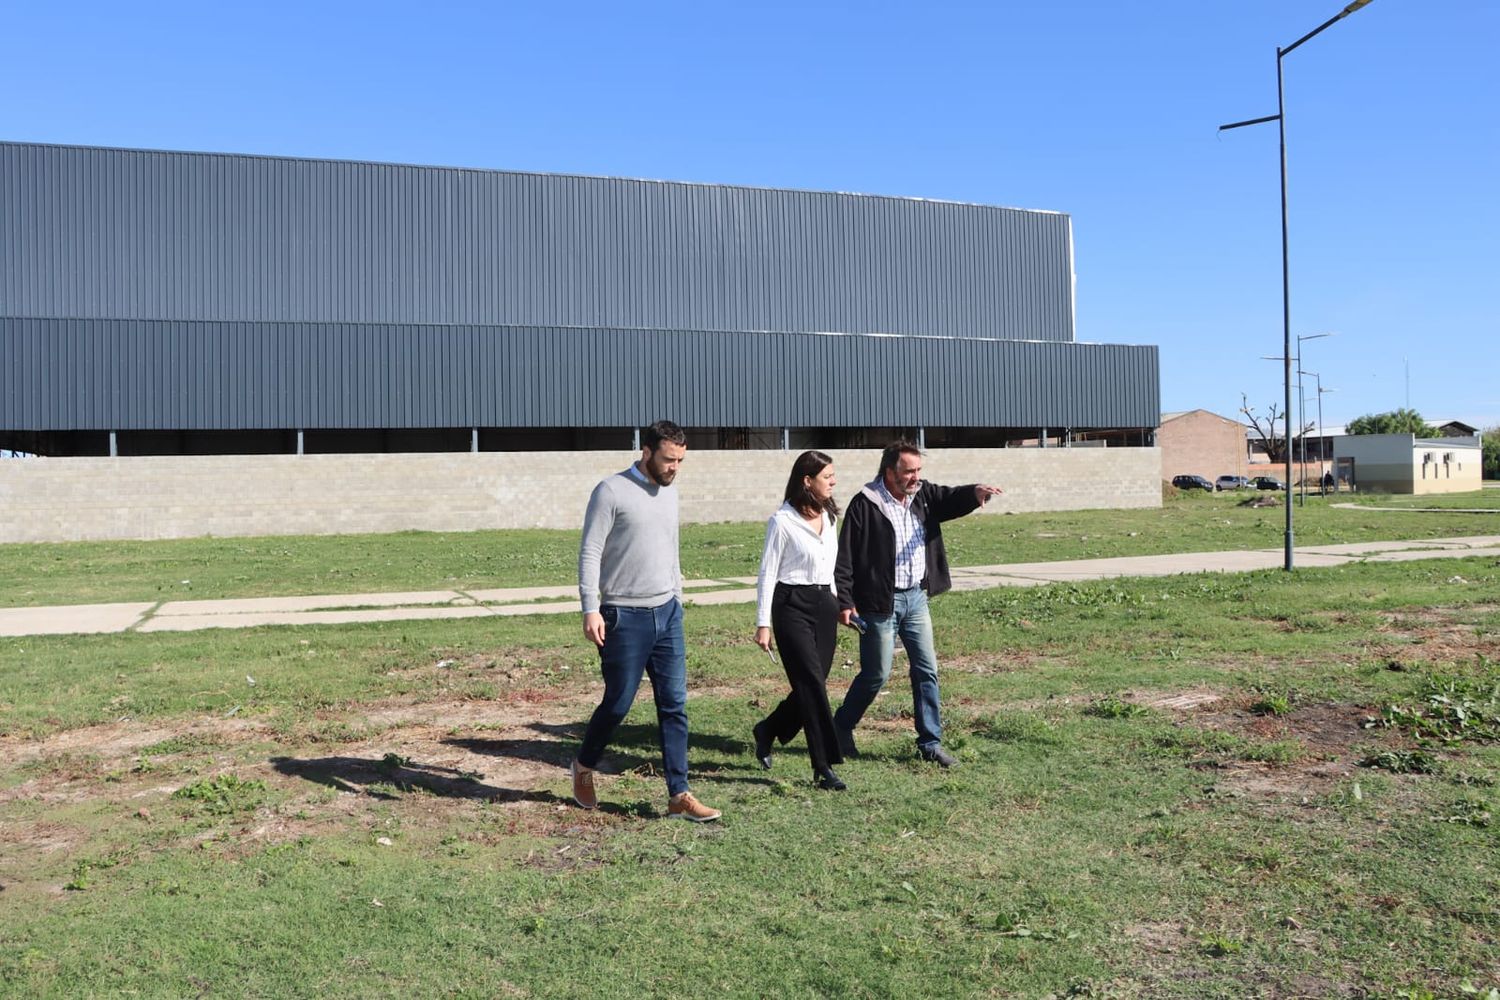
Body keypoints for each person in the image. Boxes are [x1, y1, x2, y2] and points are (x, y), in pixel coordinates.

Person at [570, 420, 720, 822]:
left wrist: (678, 598)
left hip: (667, 614)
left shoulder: (670, 493)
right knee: (618, 703)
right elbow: (590, 552)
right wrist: (590, 607)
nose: (674, 468)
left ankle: (679, 794)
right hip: (622, 615)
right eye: (669, 459)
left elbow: (670, 549)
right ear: (647, 451)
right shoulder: (611, 491)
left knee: (674, 705)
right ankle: (583, 766)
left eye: (681, 461)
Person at [833, 441, 1002, 767]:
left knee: (927, 670)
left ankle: (930, 742)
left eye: (918, 471)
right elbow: (846, 557)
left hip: (916, 599)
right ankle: (840, 727)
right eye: (909, 471)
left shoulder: (922, 496)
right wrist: (844, 601)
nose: (915, 477)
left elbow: (949, 498)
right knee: (876, 674)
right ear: (890, 471)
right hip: (878, 604)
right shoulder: (865, 504)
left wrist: (974, 492)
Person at [751, 451, 847, 791]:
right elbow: (767, 574)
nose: (833, 482)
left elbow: (831, 566)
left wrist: (839, 604)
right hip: (791, 606)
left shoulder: (830, 516)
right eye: (827, 477)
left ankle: (768, 729)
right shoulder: (782, 521)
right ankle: (823, 766)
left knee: (813, 683)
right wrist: (763, 623)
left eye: (833, 476)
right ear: (807, 481)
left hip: (824, 604)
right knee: (811, 683)